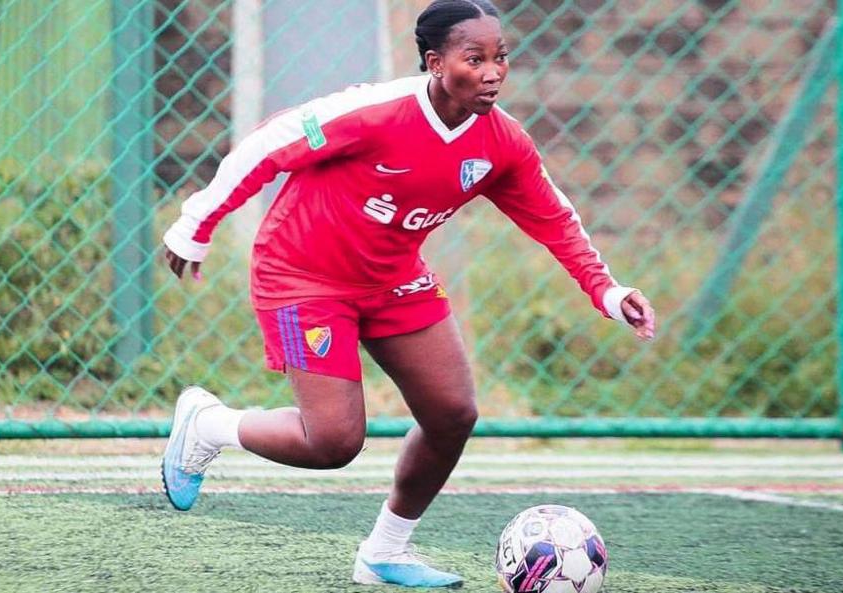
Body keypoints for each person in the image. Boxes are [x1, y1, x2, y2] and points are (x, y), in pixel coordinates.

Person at [160, 0, 656, 588]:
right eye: (476, 58)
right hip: (300, 278)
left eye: (501, 58)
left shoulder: (502, 143)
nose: (493, 71)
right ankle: (208, 424)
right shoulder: (373, 111)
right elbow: (268, 145)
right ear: (435, 61)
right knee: (334, 442)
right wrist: (197, 223)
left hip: (394, 278)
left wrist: (606, 289)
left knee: (452, 413)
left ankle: (383, 553)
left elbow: (554, 217)